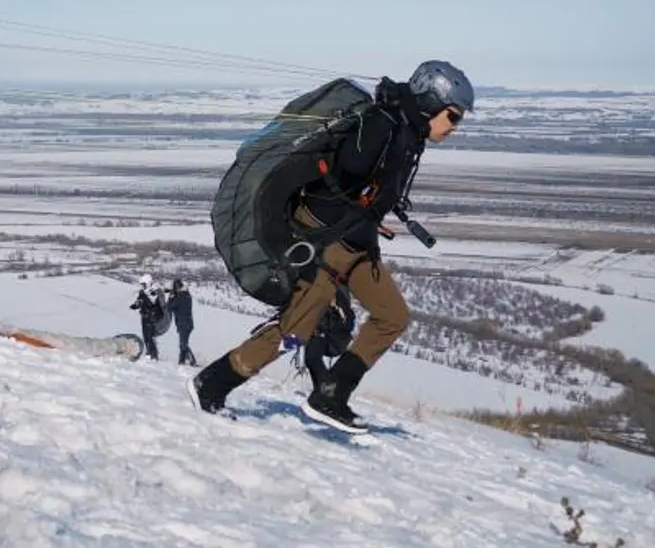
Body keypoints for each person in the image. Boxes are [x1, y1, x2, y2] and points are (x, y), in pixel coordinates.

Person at [188, 59, 473, 433]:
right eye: (453, 117)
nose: (455, 127)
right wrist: (344, 215)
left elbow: (365, 184)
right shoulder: (382, 125)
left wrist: (372, 213)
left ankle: (332, 395)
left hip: (357, 241)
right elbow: (342, 175)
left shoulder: (406, 131)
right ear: (430, 103)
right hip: (327, 241)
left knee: (393, 316)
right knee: (296, 330)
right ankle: (212, 383)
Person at [303, 283, 356, 388]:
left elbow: (346, 320)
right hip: (318, 332)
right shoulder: (329, 284)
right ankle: (321, 392)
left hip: (326, 335)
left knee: (312, 358)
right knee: (311, 359)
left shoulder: (340, 293)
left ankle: (327, 391)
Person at [130, 274, 166, 360]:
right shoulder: (143, 292)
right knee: (146, 336)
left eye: (143, 284)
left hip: (152, 317)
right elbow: (140, 300)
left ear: (148, 283)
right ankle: (150, 353)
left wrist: (150, 296)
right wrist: (135, 305)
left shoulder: (156, 291)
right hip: (145, 316)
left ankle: (153, 355)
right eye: (142, 284)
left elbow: (156, 303)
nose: (142, 286)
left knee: (150, 336)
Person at [168, 277, 198, 366]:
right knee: (183, 344)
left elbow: (169, 307)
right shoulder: (185, 294)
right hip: (186, 323)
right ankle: (182, 361)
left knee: (183, 344)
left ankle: (191, 361)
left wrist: (171, 297)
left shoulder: (181, 296)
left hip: (184, 324)